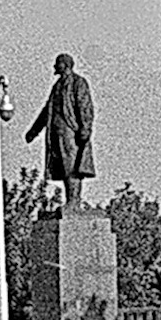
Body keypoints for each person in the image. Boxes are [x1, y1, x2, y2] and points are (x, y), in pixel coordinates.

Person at [24, 52, 96, 208]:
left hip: (71, 132)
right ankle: (70, 200)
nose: (55, 67)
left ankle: (74, 201)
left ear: (66, 65)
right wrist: (34, 131)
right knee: (63, 167)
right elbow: (47, 111)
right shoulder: (57, 86)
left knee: (72, 167)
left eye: (58, 63)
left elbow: (85, 106)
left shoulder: (78, 83)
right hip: (56, 133)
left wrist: (86, 127)